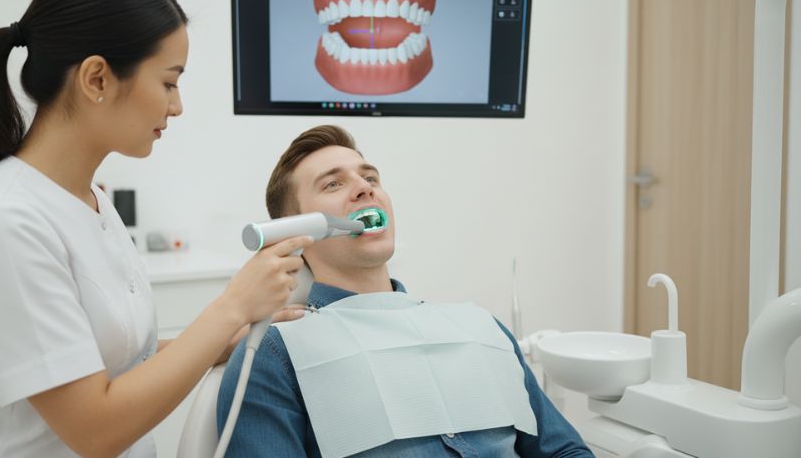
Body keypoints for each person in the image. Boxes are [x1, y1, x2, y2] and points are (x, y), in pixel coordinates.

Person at [0, 0, 312, 457]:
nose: (176, 107)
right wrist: (231, 306)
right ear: (97, 79)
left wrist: (237, 335)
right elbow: (96, 429)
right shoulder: (4, 223)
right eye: (169, 82)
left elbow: (124, 364)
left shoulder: (90, 204)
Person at [216, 125, 594, 457]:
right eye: (333, 183)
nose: (364, 188)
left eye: (370, 178)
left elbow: (564, 450)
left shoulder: (480, 328)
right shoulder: (275, 353)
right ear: (298, 232)